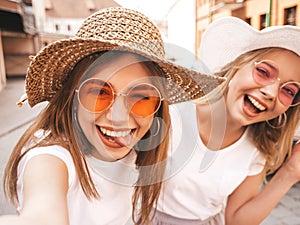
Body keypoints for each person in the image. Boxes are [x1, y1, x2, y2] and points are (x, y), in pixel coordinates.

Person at [0, 7, 224, 225]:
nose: (119, 118)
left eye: (142, 98)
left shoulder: (137, 149)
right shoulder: (51, 157)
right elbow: (42, 213)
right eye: (99, 93)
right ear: (71, 95)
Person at [152, 16, 300, 225]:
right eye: (263, 72)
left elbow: (235, 220)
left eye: (288, 90)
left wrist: (291, 173)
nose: (271, 92)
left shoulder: (256, 149)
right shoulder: (172, 112)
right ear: (237, 66)